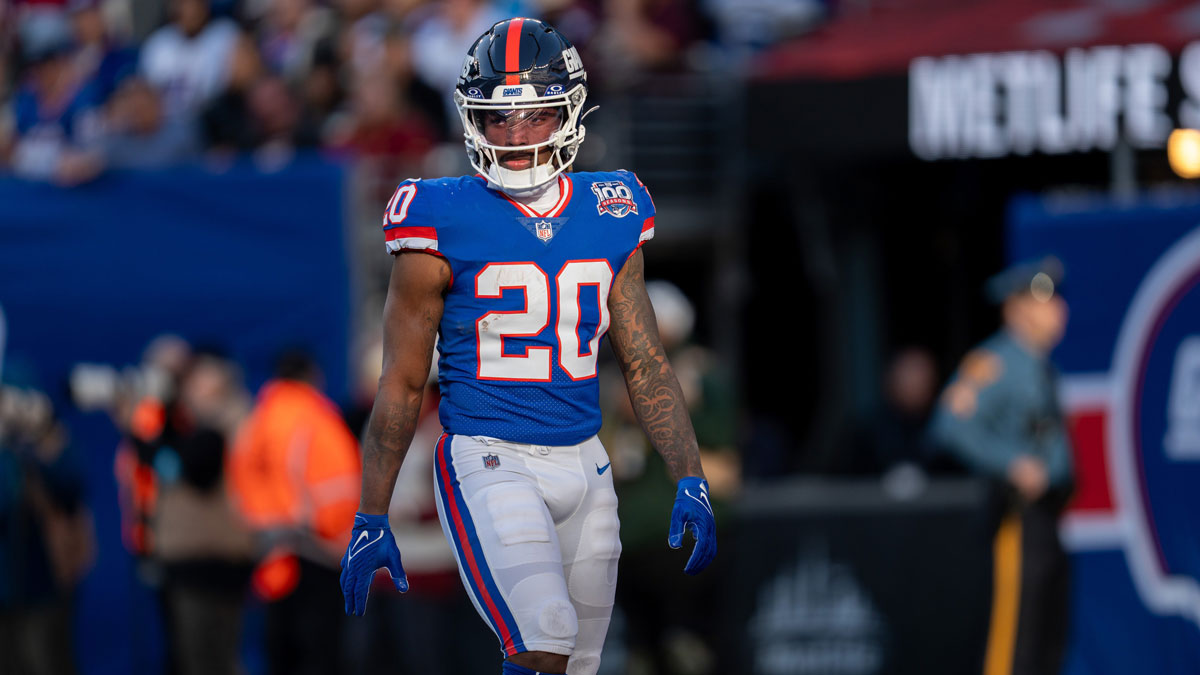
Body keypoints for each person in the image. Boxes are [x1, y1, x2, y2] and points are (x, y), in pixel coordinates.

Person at [338, 18, 717, 675]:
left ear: (568, 111)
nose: (515, 138)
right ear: (470, 119)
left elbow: (645, 359)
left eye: (534, 115)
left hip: (587, 460)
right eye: (498, 119)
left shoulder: (614, 206)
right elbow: (401, 381)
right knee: (545, 635)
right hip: (489, 456)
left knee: (578, 663)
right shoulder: (435, 214)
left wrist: (690, 472)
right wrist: (372, 510)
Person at [929, 257, 1074, 675]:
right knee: (1017, 643)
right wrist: (1011, 463)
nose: (1058, 310)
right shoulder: (998, 362)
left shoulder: (1041, 365)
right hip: (1016, 518)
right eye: (1046, 300)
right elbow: (951, 425)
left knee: (1049, 641)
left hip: (1049, 519)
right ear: (1017, 308)